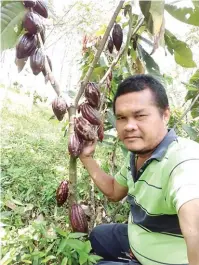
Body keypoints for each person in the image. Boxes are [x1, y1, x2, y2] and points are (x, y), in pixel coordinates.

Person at [79, 74, 199, 265]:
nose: (129, 126)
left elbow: (195, 229)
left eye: (140, 115)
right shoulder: (136, 154)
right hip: (139, 239)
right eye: (121, 118)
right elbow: (113, 192)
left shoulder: (184, 161)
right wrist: (86, 157)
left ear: (165, 115)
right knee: (97, 235)